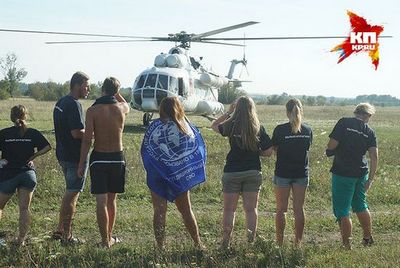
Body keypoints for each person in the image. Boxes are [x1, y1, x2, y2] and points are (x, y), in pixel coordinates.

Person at [141, 96, 206, 249]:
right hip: (180, 176)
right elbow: (195, 149)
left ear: (161, 109)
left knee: (159, 210)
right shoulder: (185, 126)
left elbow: (146, 149)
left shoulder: (153, 126)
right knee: (186, 210)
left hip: (158, 175)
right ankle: (198, 243)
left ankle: (160, 246)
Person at [211, 96, 273, 249]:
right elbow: (268, 152)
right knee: (251, 209)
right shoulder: (258, 127)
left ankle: (225, 243)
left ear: (236, 109)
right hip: (253, 171)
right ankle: (250, 242)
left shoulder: (231, 124)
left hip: (232, 171)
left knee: (229, 210)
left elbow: (214, 125)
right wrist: (255, 152)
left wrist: (228, 112)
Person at [78, 77, 130, 248]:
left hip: (99, 157)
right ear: (116, 91)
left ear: (102, 89)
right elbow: (126, 103)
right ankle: (109, 236)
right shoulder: (122, 108)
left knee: (101, 201)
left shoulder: (93, 110)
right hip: (117, 157)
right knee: (112, 200)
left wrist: (81, 163)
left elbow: (87, 140)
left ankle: (104, 241)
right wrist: (117, 92)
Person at [326, 103, 378, 250]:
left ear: (356, 112)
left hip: (342, 173)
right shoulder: (370, 132)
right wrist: (370, 179)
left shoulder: (344, 122)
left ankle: (346, 244)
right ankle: (367, 238)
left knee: (342, 210)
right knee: (360, 205)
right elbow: (374, 155)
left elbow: (331, 145)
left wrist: (333, 149)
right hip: (361, 173)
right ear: (368, 115)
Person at [0, 105, 51, 246]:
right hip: (28, 174)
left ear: (11, 117)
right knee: (24, 208)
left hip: (9, 174)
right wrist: (33, 156)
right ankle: (21, 240)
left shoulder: (4, 133)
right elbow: (48, 146)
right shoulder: (32, 132)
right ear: (25, 116)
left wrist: (1, 160)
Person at [53, 71, 90, 245]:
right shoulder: (74, 104)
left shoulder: (61, 102)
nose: (88, 89)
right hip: (74, 157)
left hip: (62, 153)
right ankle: (67, 237)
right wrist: (92, 134)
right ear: (77, 85)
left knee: (69, 193)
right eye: (86, 85)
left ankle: (60, 229)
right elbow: (76, 133)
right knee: (71, 195)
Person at [271, 98, 313, 246]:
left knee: (281, 209)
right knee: (298, 210)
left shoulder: (280, 129)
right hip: (301, 173)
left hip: (283, 172)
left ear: (287, 112)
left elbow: (274, 148)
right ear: (301, 110)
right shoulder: (308, 130)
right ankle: (298, 243)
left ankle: (279, 243)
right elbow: (307, 148)